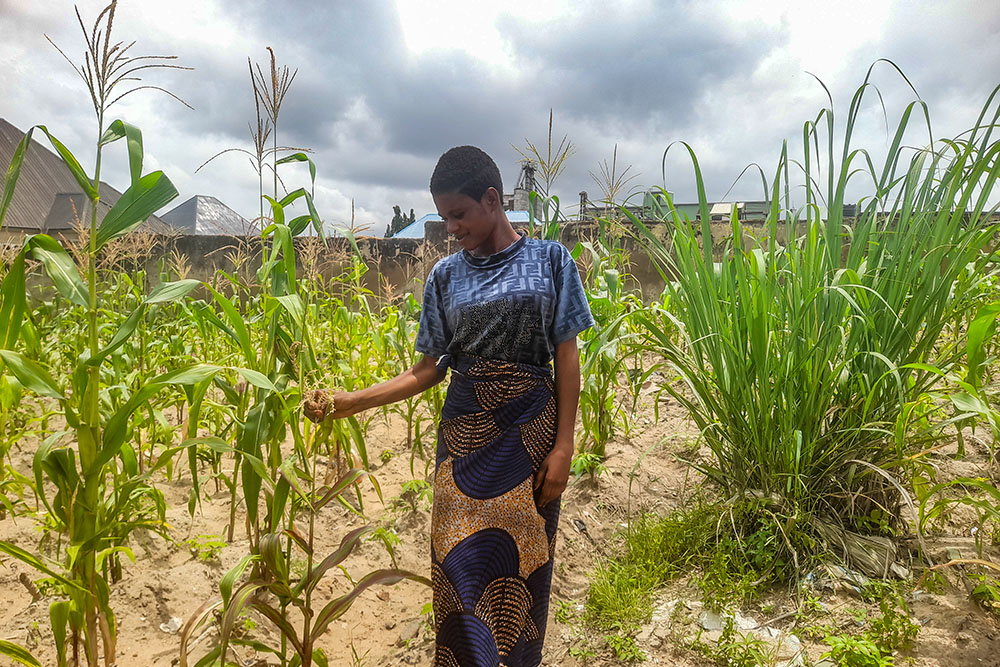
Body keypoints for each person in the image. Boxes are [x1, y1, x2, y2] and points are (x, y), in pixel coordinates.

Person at [309, 145, 594, 666]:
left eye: (458, 215)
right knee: (457, 569)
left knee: (520, 570)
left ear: (492, 199)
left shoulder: (551, 261)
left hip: (529, 438)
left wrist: (564, 446)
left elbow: (567, 361)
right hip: (465, 442)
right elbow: (427, 370)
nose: (451, 228)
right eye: (443, 218)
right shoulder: (444, 277)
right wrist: (349, 402)